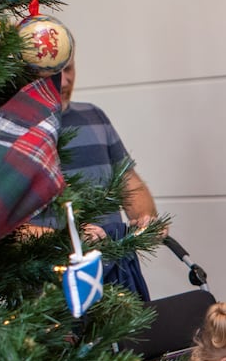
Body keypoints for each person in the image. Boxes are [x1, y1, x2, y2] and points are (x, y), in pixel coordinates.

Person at [23, 56, 161, 299]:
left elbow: (130, 183)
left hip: (114, 283)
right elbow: (3, 234)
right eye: (52, 72)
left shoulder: (94, 116)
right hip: (47, 295)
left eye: (69, 69)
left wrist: (144, 217)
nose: (64, 81)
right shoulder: (10, 132)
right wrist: (71, 240)